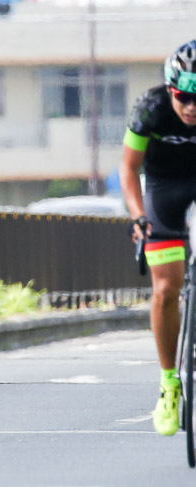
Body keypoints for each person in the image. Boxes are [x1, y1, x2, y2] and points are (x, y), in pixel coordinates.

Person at [119, 39, 196, 436]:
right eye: (184, 97)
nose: (191, 107)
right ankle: (169, 382)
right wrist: (138, 216)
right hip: (165, 189)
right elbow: (129, 169)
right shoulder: (150, 108)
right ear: (170, 89)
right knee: (166, 288)